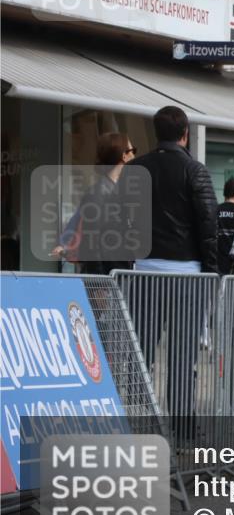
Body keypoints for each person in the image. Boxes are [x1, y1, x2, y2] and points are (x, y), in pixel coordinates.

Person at [118, 106, 217, 442]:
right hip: (187, 273)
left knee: (139, 351)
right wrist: (213, 271)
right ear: (185, 132)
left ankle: (135, 424)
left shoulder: (135, 169)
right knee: (182, 353)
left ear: (155, 131)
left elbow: (121, 222)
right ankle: (183, 428)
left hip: (143, 271)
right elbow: (208, 224)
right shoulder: (195, 170)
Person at [51, 132, 136, 274]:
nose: (134, 156)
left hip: (119, 272)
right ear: (124, 155)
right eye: (133, 151)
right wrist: (99, 284)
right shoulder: (99, 193)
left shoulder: (118, 190)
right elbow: (92, 244)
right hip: (106, 278)